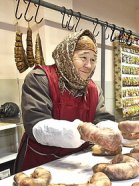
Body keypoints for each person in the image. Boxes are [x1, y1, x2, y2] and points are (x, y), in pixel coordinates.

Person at [14, 29, 116, 173]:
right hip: (41, 163)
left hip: (77, 163)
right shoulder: (40, 79)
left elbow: (101, 119)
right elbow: (36, 123)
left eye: (93, 59)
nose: (89, 65)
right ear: (67, 55)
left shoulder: (93, 89)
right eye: (83, 57)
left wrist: (118, 131)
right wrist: (80, 131)